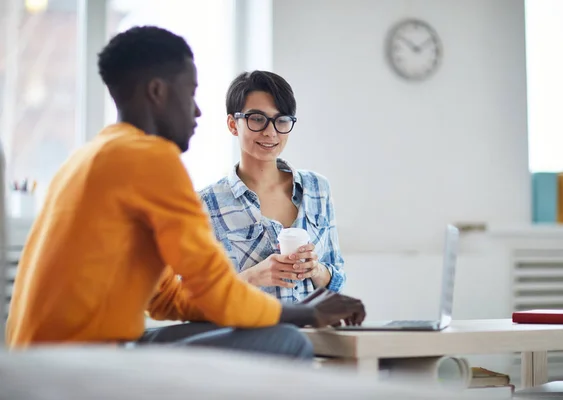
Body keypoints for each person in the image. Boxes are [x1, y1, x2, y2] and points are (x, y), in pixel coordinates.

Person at [5, 26, 365, 359]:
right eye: (190, 93)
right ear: (158, 92)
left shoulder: (90, 157)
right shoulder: (150, 158)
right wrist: (306, 313)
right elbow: (215, 289)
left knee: (242, 330)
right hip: (78, 362)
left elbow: (164, 298)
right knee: (287, 341)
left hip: (37, 357)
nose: (196, 110)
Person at [199, 71, 345, 303]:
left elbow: (337, 281)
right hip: (249, 337)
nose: (271, 131)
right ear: (232, 124)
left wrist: (315, 270)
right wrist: (253, 277)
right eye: (257, 118)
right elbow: (194, 298)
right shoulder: (206, 204)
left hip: (311, 336)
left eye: (282, 120)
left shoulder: (317, 189)